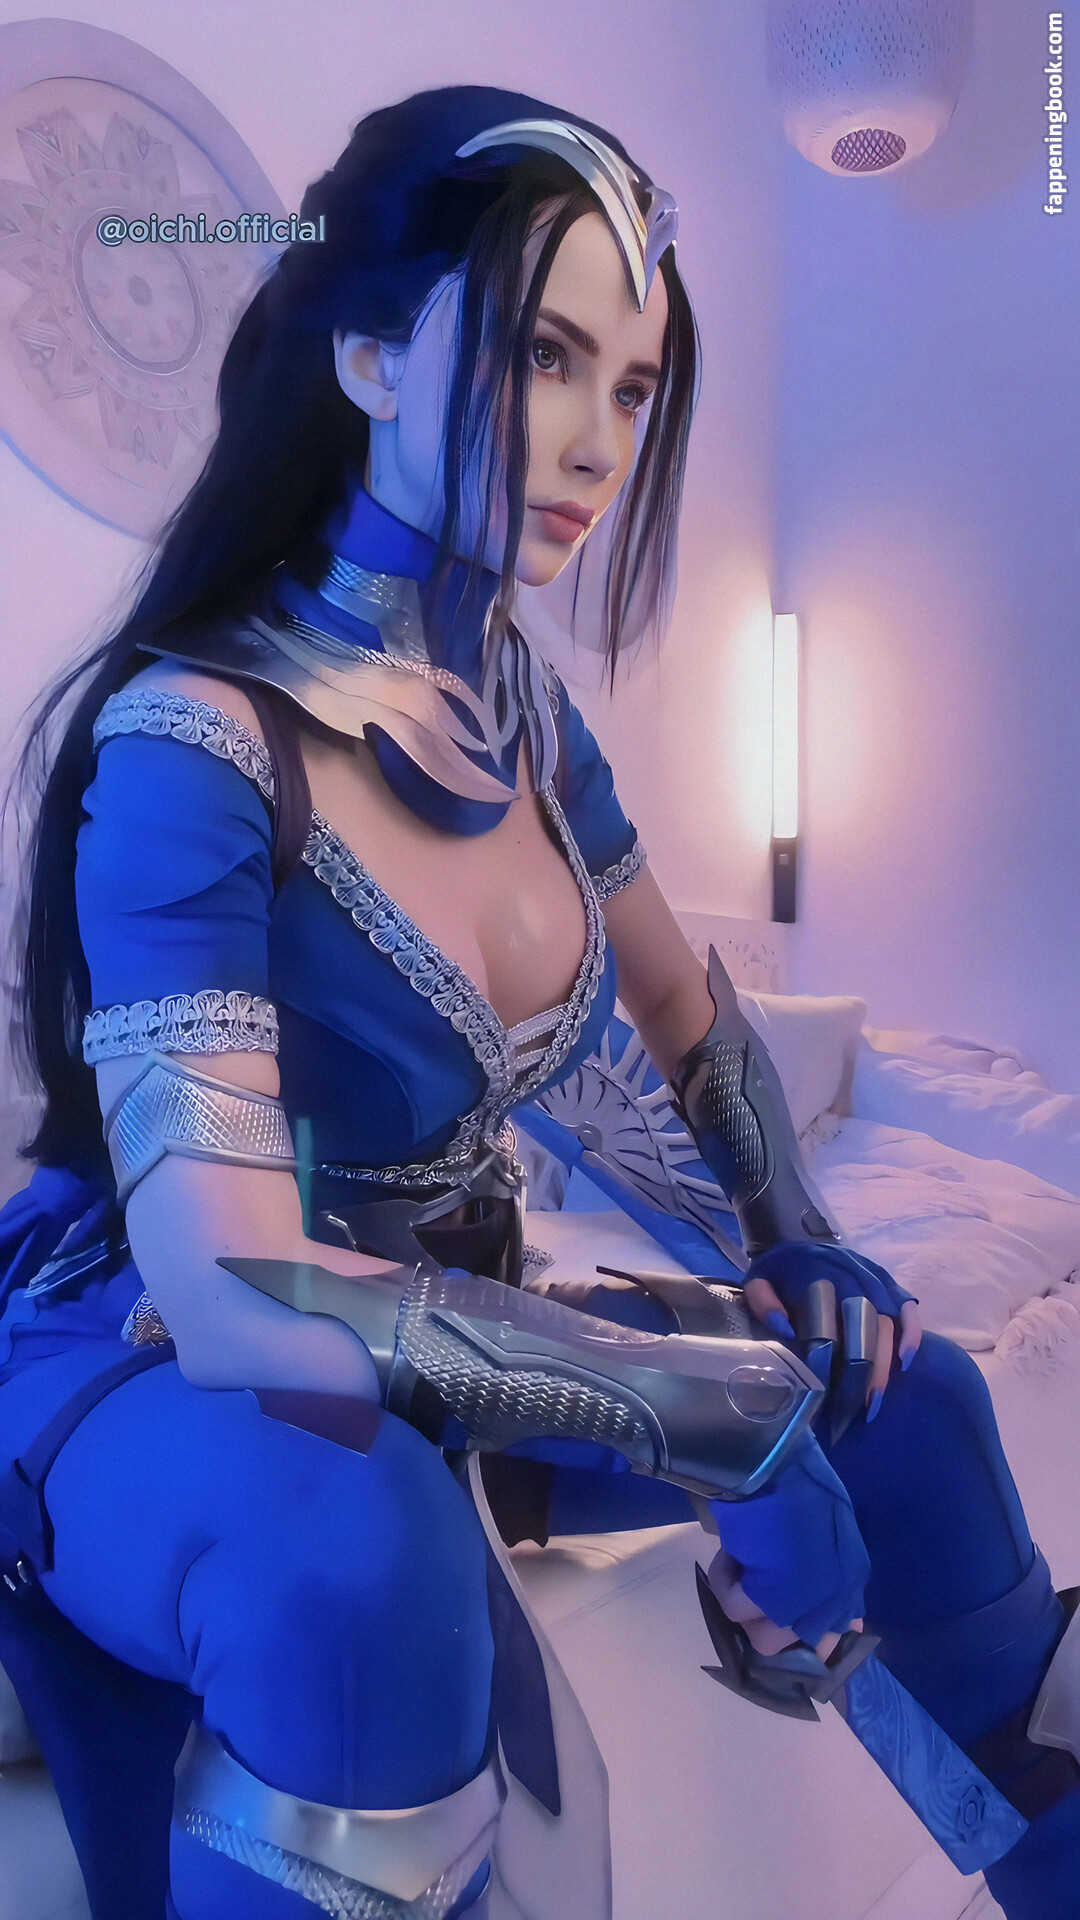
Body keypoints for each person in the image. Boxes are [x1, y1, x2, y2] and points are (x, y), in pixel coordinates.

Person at [0, 84, 1076, 1920]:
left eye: (636, 386)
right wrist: (708, 1411)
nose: (597, 442)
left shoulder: (519, 705)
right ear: (367, 356)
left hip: (457, 1332)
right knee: (361, 1559)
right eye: (542, 357)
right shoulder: (191, 738)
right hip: (161, 1353)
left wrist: (798, 1244)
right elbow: (236, 1285)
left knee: (915, 1401)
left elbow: (682, 1004)